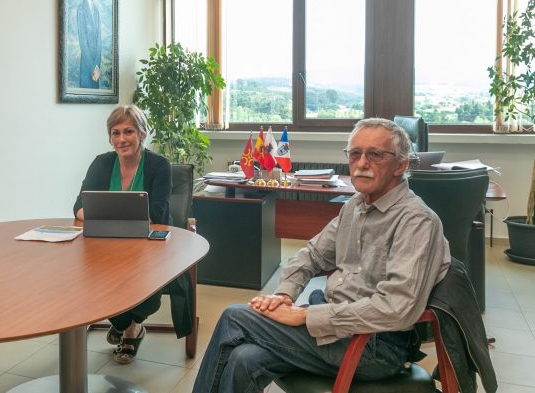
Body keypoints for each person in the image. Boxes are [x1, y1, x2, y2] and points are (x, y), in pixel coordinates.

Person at [192, 118, 452, 393]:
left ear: (401, 165)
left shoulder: (417, 221)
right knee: (243, 359)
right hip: (336, 332)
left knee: (235, 317)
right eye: (355, 153)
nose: (362, 163)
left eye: (374, 154)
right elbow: (312, 255)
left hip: (375, 345)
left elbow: (397, 308)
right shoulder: (355, 206)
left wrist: (306, 317)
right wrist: (284, 296)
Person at [73, 105, 173, 363]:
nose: (121, 139)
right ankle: (128, 328)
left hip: (149, 249)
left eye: (128, 131)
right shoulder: (101, 163)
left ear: (142, 133)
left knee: (147, 296)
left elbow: (158, 215)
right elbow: (79, 208)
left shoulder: (159, 166)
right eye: (115, 133)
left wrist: (106, 216)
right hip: (105, 246)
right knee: (94, 282)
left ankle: (127, 325)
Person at [77, 0, 102, 88]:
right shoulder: (81, 8)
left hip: (96, 72)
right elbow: (82, 42)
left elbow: (99, 42)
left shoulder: (97, 12)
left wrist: (97, 67)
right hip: (86, 69)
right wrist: (93, 67)